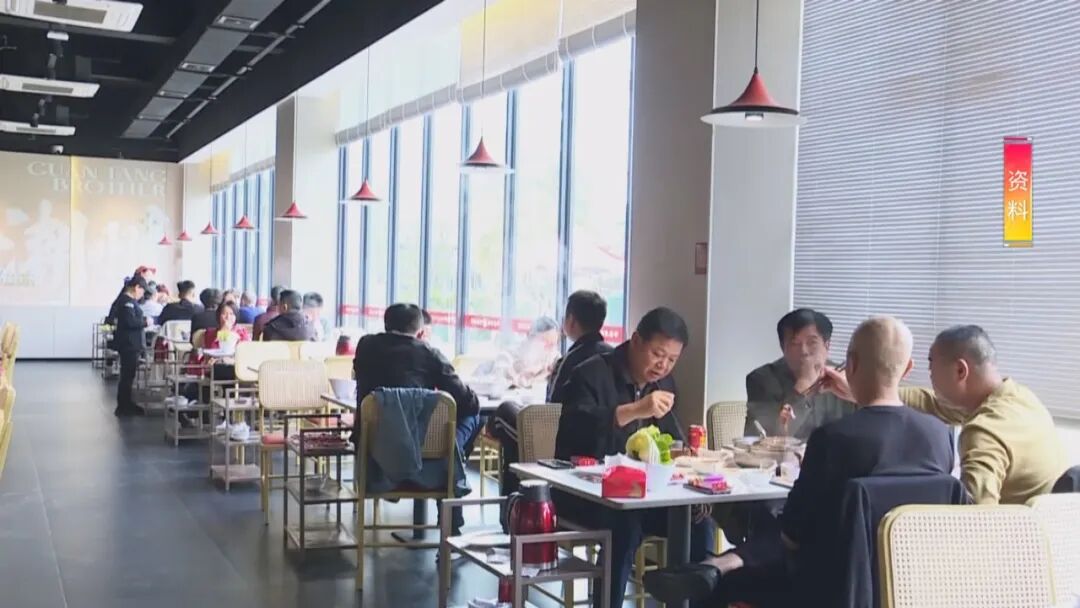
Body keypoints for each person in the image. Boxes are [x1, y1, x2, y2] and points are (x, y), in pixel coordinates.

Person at [644, 316, 955, 606]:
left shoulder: (834, 438)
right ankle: (720, 564)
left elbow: (793, 535)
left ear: (851, 364)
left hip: (823, 588)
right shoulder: (939, 435)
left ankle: (719, 566)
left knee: (719, 586)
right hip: (910, 586)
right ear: (908, 368)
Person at [554, 307, 716, 608]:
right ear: (637, 340)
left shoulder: (664, 384)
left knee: (699, 522)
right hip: (588, 494)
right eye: (657, 354)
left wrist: (692, 465)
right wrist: (635, 410)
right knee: (624, 526)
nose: (663, 365)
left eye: (672, 359)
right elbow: (577, 431)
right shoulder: (590, 373)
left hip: (644, 496)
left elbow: (672, 442)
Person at [824, 324, 1069, 506]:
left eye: (931, 365)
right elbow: (934, 403)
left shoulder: (984, 431)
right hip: (1049, 540)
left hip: (1013, 549)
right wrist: (871, 390)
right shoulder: (1020, 398)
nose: (929, 373)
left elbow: (976, 518)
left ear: (960, 370)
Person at [353, 303, 481, 533]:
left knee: (438, 426)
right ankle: (454, 460)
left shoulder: (366, 346)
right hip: (422, 454)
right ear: (421, 331)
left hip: (373, 450)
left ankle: (453, 455)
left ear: (385, 324)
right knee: (472, 417)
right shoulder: (429, 354)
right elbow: (468, 401)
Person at [488, 290, 613, 495]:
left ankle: (514, 498)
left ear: (570, 321)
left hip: (558, 442)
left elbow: (552, 406)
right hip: (600, 445)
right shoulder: (612, 355)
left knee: (505, 414)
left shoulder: (570, 360)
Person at [746, 308, 855, 439]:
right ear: (783, 348)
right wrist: (803, 388)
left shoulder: (844, 376)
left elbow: (869, 424)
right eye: (795, 344)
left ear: (827, 346)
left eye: (812, 342)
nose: (804, 351)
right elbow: (765, 437)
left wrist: (854, 395)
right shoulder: (762, 379)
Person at [110, 275, 148, 417]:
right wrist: (146, 322)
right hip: (129, 344)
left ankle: (127, 402)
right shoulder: (127, 302)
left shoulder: (127, 301)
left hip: (130, 343)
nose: (142, 295)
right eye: (142, 291)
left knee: (128, 375)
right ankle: (123, 406)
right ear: (137, 287)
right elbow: (129, 322)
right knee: (127, 376)